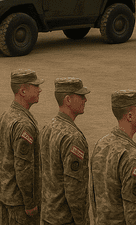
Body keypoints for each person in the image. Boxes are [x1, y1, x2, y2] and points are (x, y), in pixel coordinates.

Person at [91, 90, 136, 224]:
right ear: (129, 116)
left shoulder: (101, 144)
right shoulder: (132, 157)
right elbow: (135, 214)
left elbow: (94, 197)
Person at [40, 77, 90, 225]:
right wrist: (82, 221)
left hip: (49, 214)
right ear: (68, 100)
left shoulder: (47, 128)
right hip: (65, 219)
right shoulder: (73, 138)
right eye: (81, 96)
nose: (85, 100)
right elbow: (74, 189)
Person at [0, 69, 43, 224]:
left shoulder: (6, 115)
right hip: (20, 204)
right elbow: (23, 168)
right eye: (35, 86)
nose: (40, 90)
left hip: (7, 195)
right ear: (23, 91)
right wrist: (30, 203)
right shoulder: (24, 125)